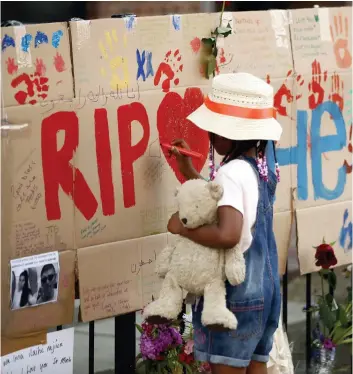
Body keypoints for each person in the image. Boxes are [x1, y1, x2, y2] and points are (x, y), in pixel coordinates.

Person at [167, 72, 282, 374]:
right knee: (257, 367)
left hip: (237, 299)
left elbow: (229, 233)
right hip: (266, 294)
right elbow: (227, 203)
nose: (210, 137)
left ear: (228, 133)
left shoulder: (230, 173)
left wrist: (183, 227)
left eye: (213, 130)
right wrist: (190, 171)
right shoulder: (259, 168)